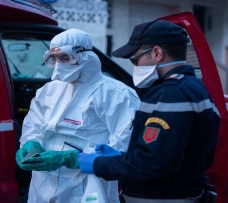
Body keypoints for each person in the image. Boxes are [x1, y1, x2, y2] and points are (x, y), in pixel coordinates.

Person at [78, 20, 220, 203]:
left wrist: (99, 164)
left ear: (157, 53)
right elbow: (178, 151)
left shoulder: (170, 93)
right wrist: (121, 157)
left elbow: (155, 164)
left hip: (163, 197)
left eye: (135, 59)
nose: (135, 65)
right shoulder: (195, 87)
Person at [15, 28, 141, 203]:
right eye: (54, 59)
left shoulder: (116, 94)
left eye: (65, 58)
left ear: (85, 57)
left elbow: (124, 146)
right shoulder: (49, 91)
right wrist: (30, 145)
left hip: (86, 186)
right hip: (42, 185)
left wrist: (73, 158)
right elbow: (33, 126)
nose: (59, 64)